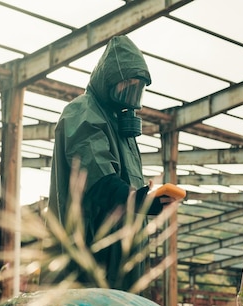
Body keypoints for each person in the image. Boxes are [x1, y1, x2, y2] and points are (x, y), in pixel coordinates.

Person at [46, 35, 182, 292]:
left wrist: (147, 200)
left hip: (118, 263)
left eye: (136, 89)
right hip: (92, 261)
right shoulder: (83, 112)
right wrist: (141, 200)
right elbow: (99, 183)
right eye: (125, 87)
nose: (129, 96)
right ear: (108, 81)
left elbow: (123, 189)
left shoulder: (118, 127)